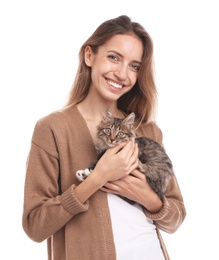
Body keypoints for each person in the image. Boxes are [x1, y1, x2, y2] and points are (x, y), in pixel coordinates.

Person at [22, 15, 186, 260]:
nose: (122, 74)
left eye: (134, 66)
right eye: (113, 57)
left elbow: (176, 217)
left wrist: (147, 197)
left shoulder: (147, 130)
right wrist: (97, 179)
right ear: (89, 56)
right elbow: (35, 226)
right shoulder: (54, 129)